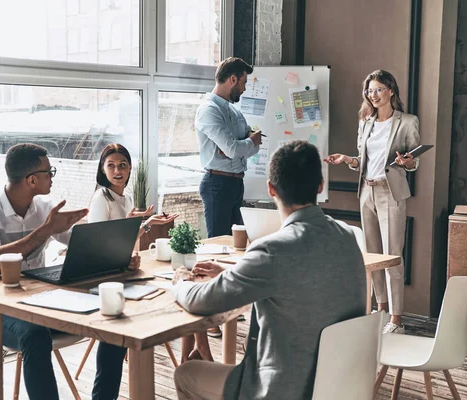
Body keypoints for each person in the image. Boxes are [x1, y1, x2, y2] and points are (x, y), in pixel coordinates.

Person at [172, 140, 366, 400]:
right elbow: (295, 286)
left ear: (271, 189)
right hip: (339, 385)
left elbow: (201, 301)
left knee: (186, 374)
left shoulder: (272, 250)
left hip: (284, 389)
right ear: (320, 186)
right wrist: (235, 274)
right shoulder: (346, 235)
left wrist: (180, 281)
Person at [0, 143, 97, 400]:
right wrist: (46, 230)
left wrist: (129, 234)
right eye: (50, 172)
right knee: (35, 335)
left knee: (112, 310)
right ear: (32, 179)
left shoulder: (44, 208)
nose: (52, 177)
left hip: (40, 302)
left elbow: (79, 242)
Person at [324, 69, 420, 334]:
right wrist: (347, 159)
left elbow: (414, 162)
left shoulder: (407, 122)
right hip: (366, 191)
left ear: (391, 90)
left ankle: (397, 319)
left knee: (392, 255)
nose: (373, 95)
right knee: (374, 255)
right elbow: (361, 160)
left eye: (378, 89)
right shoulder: (366, 122)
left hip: (391, 192)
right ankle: (381, 309)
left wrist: (407, 161)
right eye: (369, 90)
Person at [87, 143, 177, 400]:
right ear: (102, 170)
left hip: (120, 271)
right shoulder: (100, 198)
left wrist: (144, 224)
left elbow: (123, 241)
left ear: (129, 170)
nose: (117, 170)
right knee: (119, 334)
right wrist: (142, 225)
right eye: (111, 165)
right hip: (104, 278)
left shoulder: (123, 198)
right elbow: (100, 245)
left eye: (123, 165)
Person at [194, 56, 262, 341]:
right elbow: (237, 148)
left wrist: (242, 145)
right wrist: (246, 144)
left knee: (235, 250)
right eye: (243, 82)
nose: (245, 89)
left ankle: (228, 305)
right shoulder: (209, 110)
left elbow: (243, 146)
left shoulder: (234, 112)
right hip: (217, 184)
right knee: (215, 250)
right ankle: (208, 316)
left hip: (235, 184)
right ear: (232, 79)